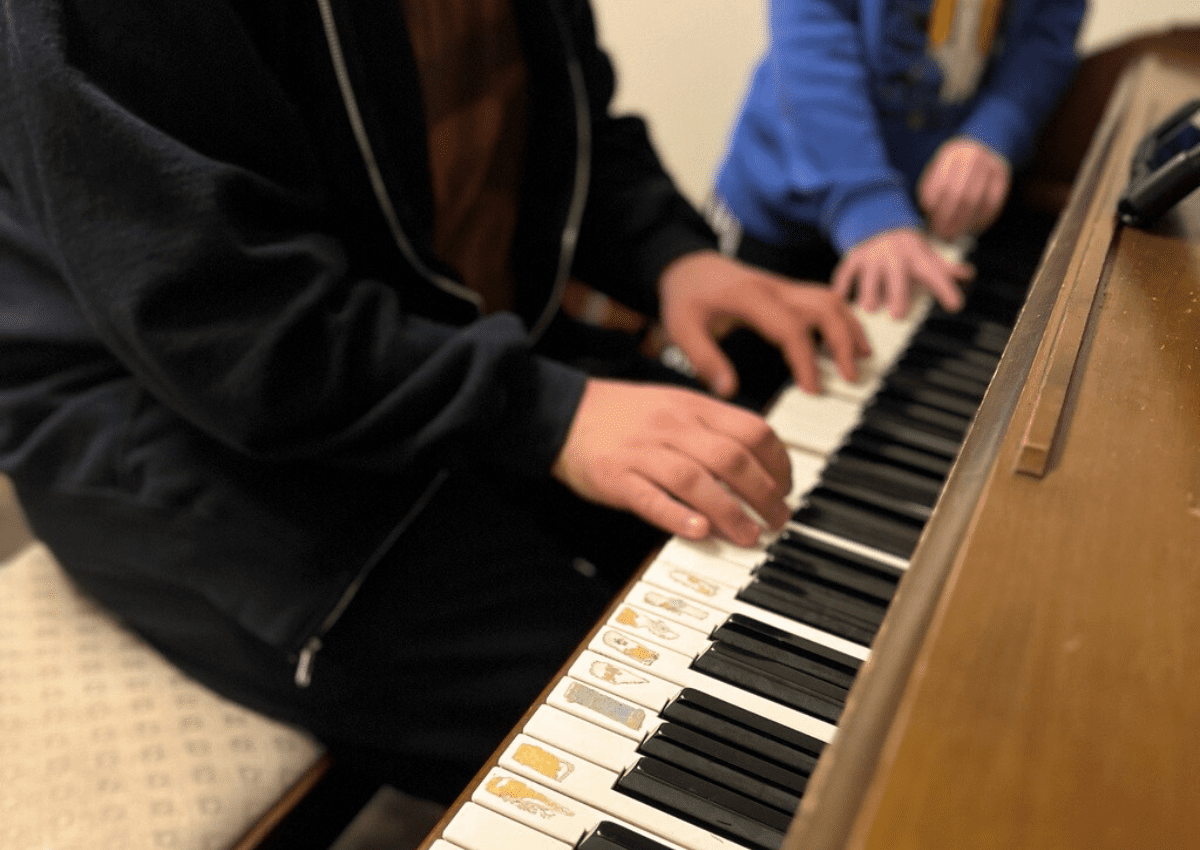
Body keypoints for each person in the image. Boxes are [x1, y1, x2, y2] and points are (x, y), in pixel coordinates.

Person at [0, 0, 869, 803]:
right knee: (700, 750)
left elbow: (563, 122)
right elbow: (228, 328)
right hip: (178, 422)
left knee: (814, 566)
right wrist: (547, 414)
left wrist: (671, 254)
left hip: (443, 342)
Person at [714, 0, 1087, 319]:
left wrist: (993, 131)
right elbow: (812, 38)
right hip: (784, 212)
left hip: (925, 212)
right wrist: (866, 202)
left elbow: (1050, 26)